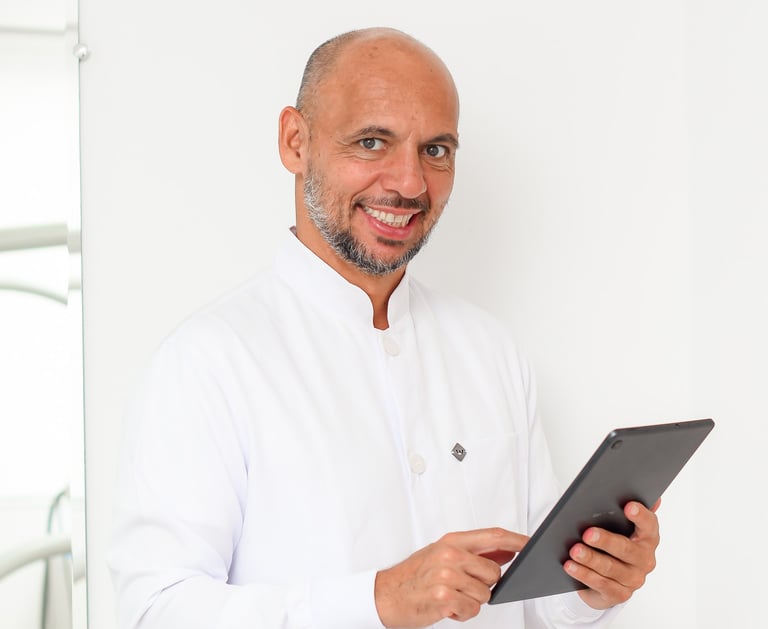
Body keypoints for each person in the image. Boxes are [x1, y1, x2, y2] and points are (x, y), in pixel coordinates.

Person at [108, 26, 659, 629]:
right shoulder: (207, 362)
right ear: (296, 141)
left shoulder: (490, 351)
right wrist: (378, 600)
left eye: (436, 150)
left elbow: (537, 602)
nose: (410, 183)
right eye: (372, 142)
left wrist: (593, 586)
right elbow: (155, 611)